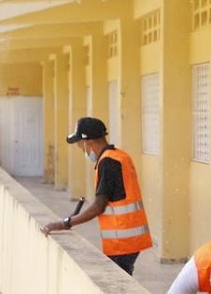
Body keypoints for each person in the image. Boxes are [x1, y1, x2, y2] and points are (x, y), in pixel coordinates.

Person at [40, 117, 152, 276]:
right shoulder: (120, 156)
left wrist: (66, 223)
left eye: (80, 145)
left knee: (117, 286)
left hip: (122, 241)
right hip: (130, 239)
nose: (81, 149)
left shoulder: (107, 163)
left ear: (89, 142)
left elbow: (98, 206)